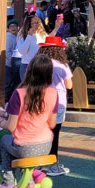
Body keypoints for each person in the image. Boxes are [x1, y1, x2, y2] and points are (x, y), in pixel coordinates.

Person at [0, 56, 59, 188]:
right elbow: (52, 123)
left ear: (29, 71)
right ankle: (29, 181)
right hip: (46, 146)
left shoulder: (19, 93)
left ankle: (8, 183)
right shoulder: (53, 93)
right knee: (19, 147)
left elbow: (11, 126)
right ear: (49, 73)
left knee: (5, 141)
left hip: (24, 147)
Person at [35, 36, 74, 177]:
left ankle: (36, 163)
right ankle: (53, 164)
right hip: (58, 102)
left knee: (39, 131)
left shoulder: (38, 63)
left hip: (39, 100)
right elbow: (69, 85)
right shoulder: (62, 65)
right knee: (54, 133)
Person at [15, 15, 46, 81]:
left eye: (37, 23)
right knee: (26, 89)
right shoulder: (22, 34)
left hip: (40, 65)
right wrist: (29, 36)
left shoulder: (42, 33)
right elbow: (22, 51)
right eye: (34, 23)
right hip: (27, 66)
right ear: (28, 24)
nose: (36, 25)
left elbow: (48, 41)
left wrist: (56, 28)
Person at [4, 20, 20, 100]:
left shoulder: (16, 37)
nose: (13, 28)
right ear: (8, 29)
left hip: (12, 64)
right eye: (11, 26)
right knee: (8, 83)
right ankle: (6, 100)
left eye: (15, 26)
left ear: (18, 28)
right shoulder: (9, 37)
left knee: (11, 83)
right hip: (9, 64)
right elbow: (7, 52)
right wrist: (12, 61)